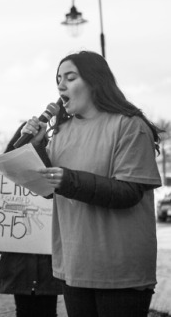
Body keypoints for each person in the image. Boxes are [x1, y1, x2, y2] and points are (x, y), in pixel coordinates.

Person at [21, 51, 162, 317]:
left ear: (95, 82)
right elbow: (51, 189)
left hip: (120, 272)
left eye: (70, 77)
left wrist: (69, 179)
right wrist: (37, 146)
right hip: (74, 268)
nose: (60, 85)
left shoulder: (130, 126)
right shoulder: (60, 133)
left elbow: (128, 193)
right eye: (58, 79)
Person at [0, 122, 62, 317]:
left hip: (47, 265)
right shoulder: (4, 180)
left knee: (48, 311)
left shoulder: (55, 173)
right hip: (19, 266)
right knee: (24, 311)